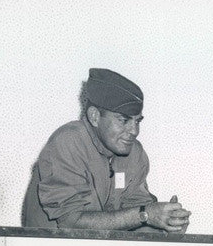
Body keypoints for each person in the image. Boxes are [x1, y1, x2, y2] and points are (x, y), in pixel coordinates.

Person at [22, 68, 190, 232]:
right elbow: (71, 223)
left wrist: (166, 225)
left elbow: (135, 219)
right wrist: (145, 214)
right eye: (124, 120)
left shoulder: (134, 152)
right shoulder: (67, 142)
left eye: (137, 121)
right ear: (94, 116)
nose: (134, 131)